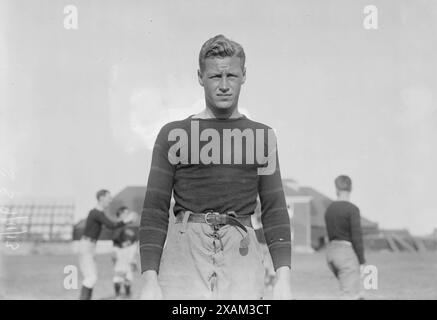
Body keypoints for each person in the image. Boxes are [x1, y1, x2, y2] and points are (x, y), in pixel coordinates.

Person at [139, 35, 292, 300]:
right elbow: (154, 209)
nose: (223, 86)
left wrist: (284, 280)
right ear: (200, 77)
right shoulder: (173, 134)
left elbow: (274, 209)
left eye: (231, 76)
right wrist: (150, 281)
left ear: (244, 75)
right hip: (185, 253)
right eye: (214, 77)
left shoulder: (262, 137)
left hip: (241, 250)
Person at [78, 190, 133, 300]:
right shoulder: (95, 213)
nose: (110, 199)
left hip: (89, 246)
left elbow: (111, 225)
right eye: (108, 197)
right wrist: (126, 220)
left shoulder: (98, 213)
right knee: (91, 277)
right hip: (86, 247)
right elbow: (111, 225)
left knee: (91, 277)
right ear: (101, 198)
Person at [324, 175, 366, 299]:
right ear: (351, 188)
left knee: (357, 292)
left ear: (336, 189)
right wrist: (362, 261)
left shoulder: (329, 209)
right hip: (345, 254)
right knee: (349, 294)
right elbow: (357, 238)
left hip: (331, 254)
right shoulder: (352, 209)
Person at [111, 206, 139, 299]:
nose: (129, 215)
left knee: (128, 274)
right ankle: (118, 295)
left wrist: (133, 258)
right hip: (121, 251)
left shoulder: (128, 226)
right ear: (121, 214)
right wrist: (116, 252)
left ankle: (127, 295)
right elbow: (115, 239)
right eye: (126, 213)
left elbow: (134, 240)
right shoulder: (118, 225)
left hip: (129, 253)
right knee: (119, 274)